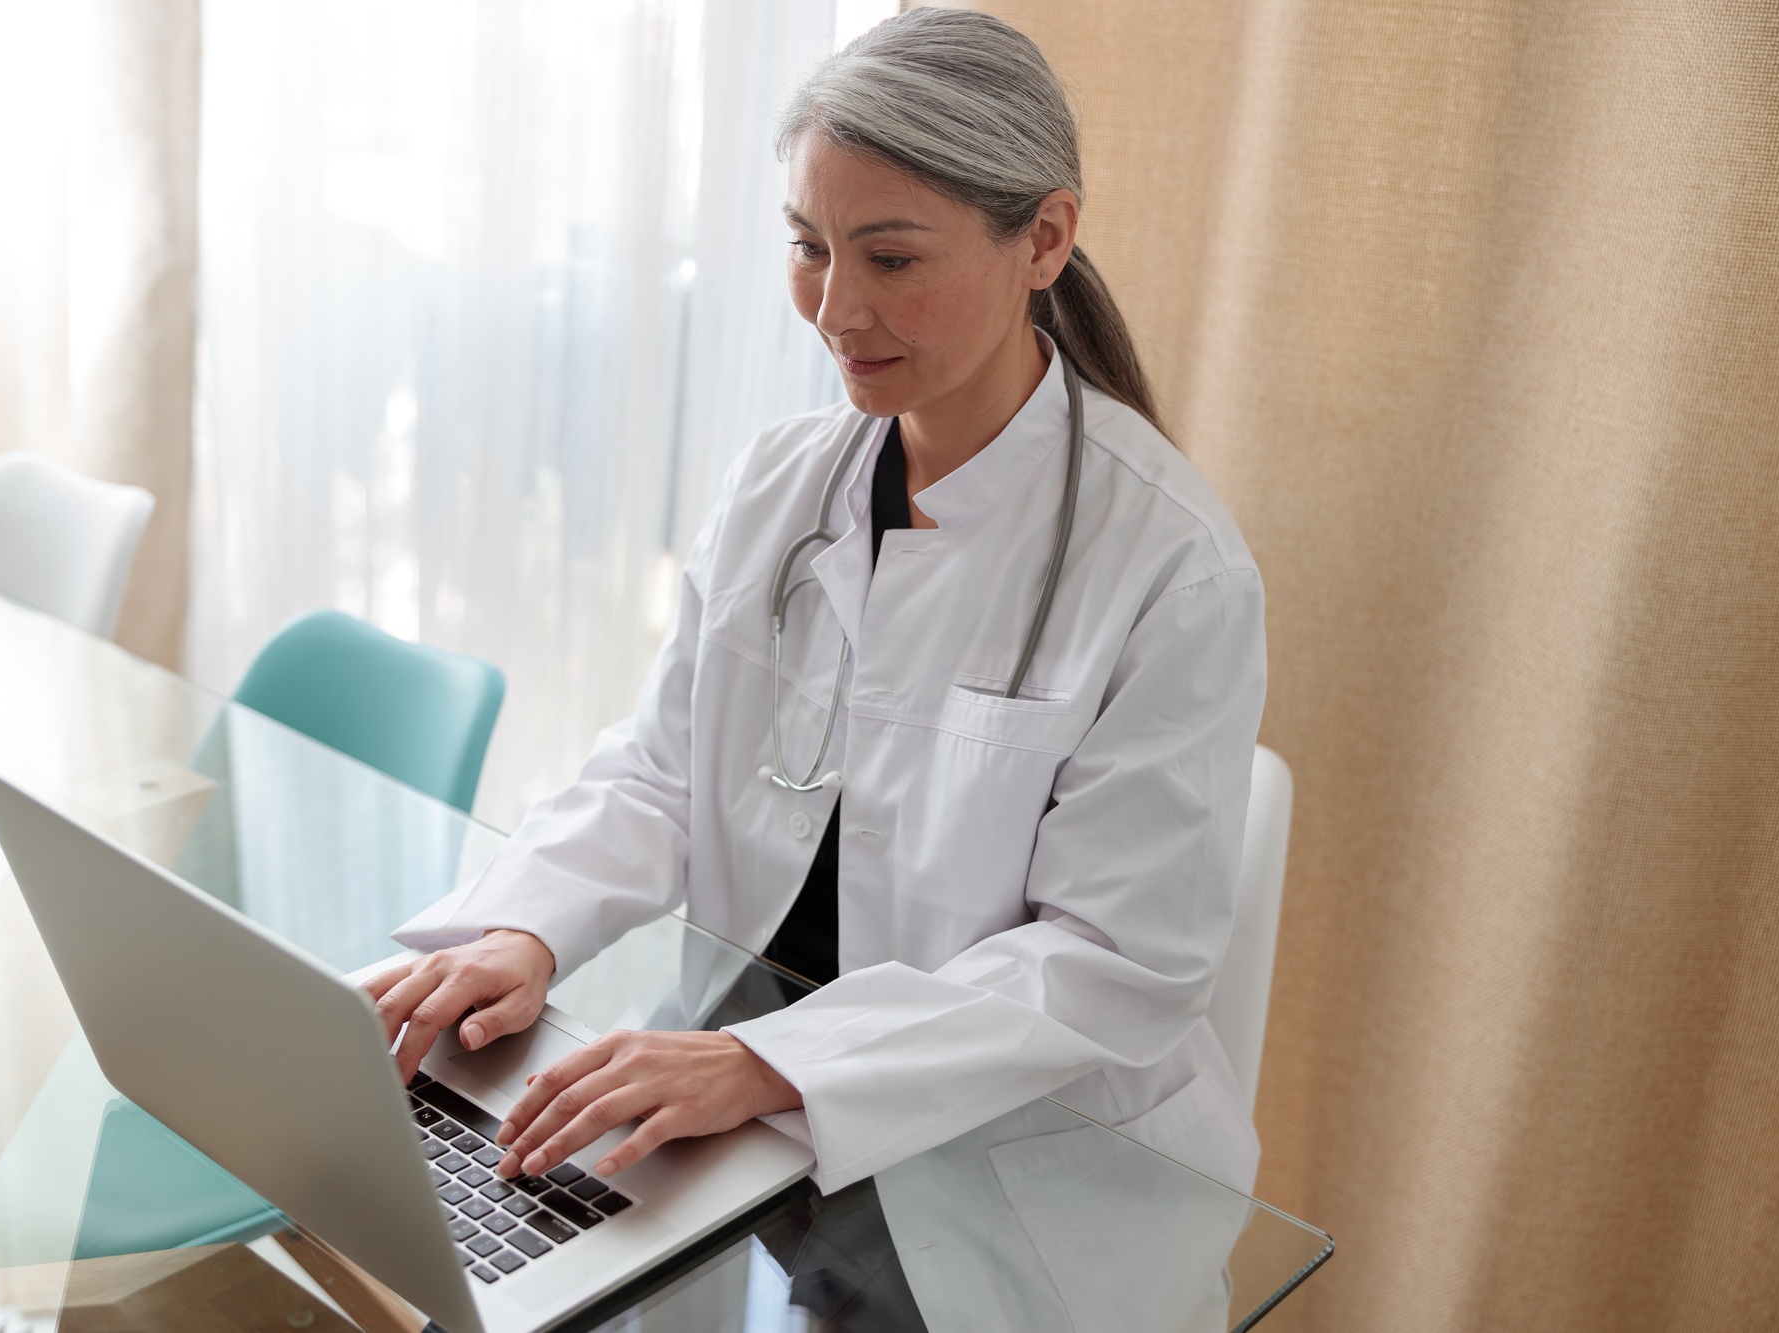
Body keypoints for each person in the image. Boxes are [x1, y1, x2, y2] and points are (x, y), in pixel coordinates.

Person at [368, 6, 1267, 1200]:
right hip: (745, 1124)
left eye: (890, 258)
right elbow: (662, 774)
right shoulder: (782, 481)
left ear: (1043, 237)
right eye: (807, 245)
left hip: (1016, 1182)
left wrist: (763, 1060)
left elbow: (1107, 962)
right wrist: (522, 930)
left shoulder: (1170, 567)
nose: (836, 310)